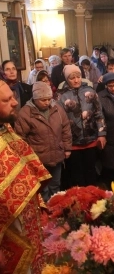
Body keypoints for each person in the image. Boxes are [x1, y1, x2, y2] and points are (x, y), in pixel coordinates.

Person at [0, 80, 51, 273]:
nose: (15, 102)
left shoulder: (7, 129)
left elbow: (30, 173)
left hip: (28, 220)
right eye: (7, 100)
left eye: (13, 96)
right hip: (8, 232)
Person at [14, 81, 71, 202]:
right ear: (35, 99)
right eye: (43, 100)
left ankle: (56, 210)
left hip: (57, 155)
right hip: (38, 159)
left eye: (49, 99)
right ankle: (45, 214)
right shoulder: (25, 113)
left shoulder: (57, 109)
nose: (47, 102)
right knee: (43, 188)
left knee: (56, 185)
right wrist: (28, 157)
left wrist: (67, 148)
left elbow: (66, 128)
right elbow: (20, 138)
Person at [58, 65, 106, 188]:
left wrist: (102, 134)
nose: (76, 80)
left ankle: (93, 203)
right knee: (76, 176)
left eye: (78, 77)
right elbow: (59, 121)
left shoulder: (90, 91)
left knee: (91, 173)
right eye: (72, 78)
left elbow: (99, 114)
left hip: (91, 140)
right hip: (72, 144)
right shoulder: (61, 96)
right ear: (66, 79)